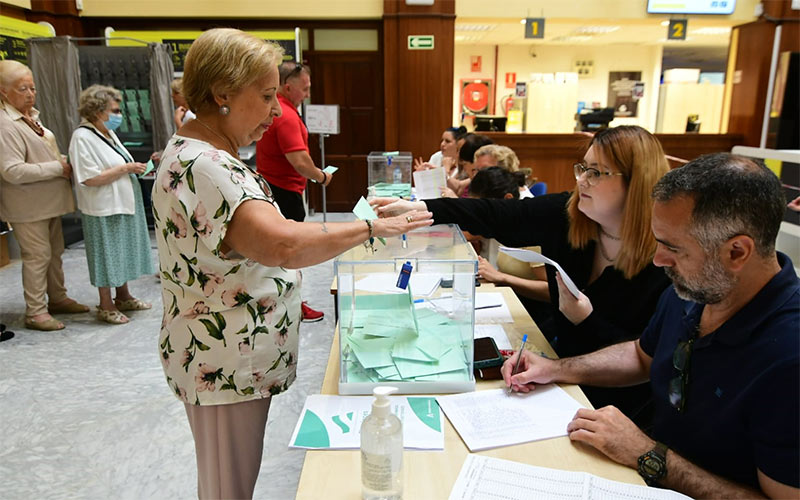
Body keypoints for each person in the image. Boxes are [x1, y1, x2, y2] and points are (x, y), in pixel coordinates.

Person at [152, 28, 432, 500]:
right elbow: (280, 245)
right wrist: (371, 229)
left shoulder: (210, 156)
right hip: (223, 359)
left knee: (231, 479)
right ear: (222, 93)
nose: (276, 111)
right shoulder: (205, 165)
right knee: (226, 487)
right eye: (265, 97)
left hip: (230, 353)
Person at [502, 153, 799, 499]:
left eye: (672, 247)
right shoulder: (697, 289)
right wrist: (556, 369)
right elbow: (642, 355)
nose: (658, 260)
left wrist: (650, 455)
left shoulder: (788, 358)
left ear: (737, 252)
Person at [375, 125, 672, 425]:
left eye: (596, 172)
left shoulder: (666, 262)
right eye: (582, 168)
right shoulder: (569, 214)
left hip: (615, 408)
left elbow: (644, 358)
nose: (581, 179)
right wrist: (420, 208)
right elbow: (495, 214)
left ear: (635, 182)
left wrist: (586, 320)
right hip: (557, 380)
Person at [0, 60, 89, 331]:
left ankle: (58, 298)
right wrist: (58, 167)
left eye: (33, 88)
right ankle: (35, 311)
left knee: (54, 254)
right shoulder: (5, 125)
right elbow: (11, 170)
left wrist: (63, 160)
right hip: (28, 205)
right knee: (37, 256)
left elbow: (40, 154)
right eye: (22, 89)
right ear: (3, 92)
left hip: (49, 201)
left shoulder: (30, 117)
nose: (30, 94)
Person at [69, 84, 154, 324]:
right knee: (106, 256)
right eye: (114, 111)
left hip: (122, 203)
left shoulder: (107, 134)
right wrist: (126, 168)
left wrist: (141, 165)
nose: (119, 115)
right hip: (102, 208)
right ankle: (105, 304)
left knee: (121, 252)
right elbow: (88, 177)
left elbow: (118, 163)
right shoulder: (82, 137)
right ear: (98, 111)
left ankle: (123, 296)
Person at [255, 61, 331, 322]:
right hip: (284, 191)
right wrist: (321, 176)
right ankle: (293, 305)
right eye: (305, 89)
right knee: (290, 253)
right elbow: (299, 161)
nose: (308, 94)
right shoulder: (285, 115)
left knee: (280, 252)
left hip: (276, 187)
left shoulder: (278, 110)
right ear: (288, 87)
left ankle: (286, 301)